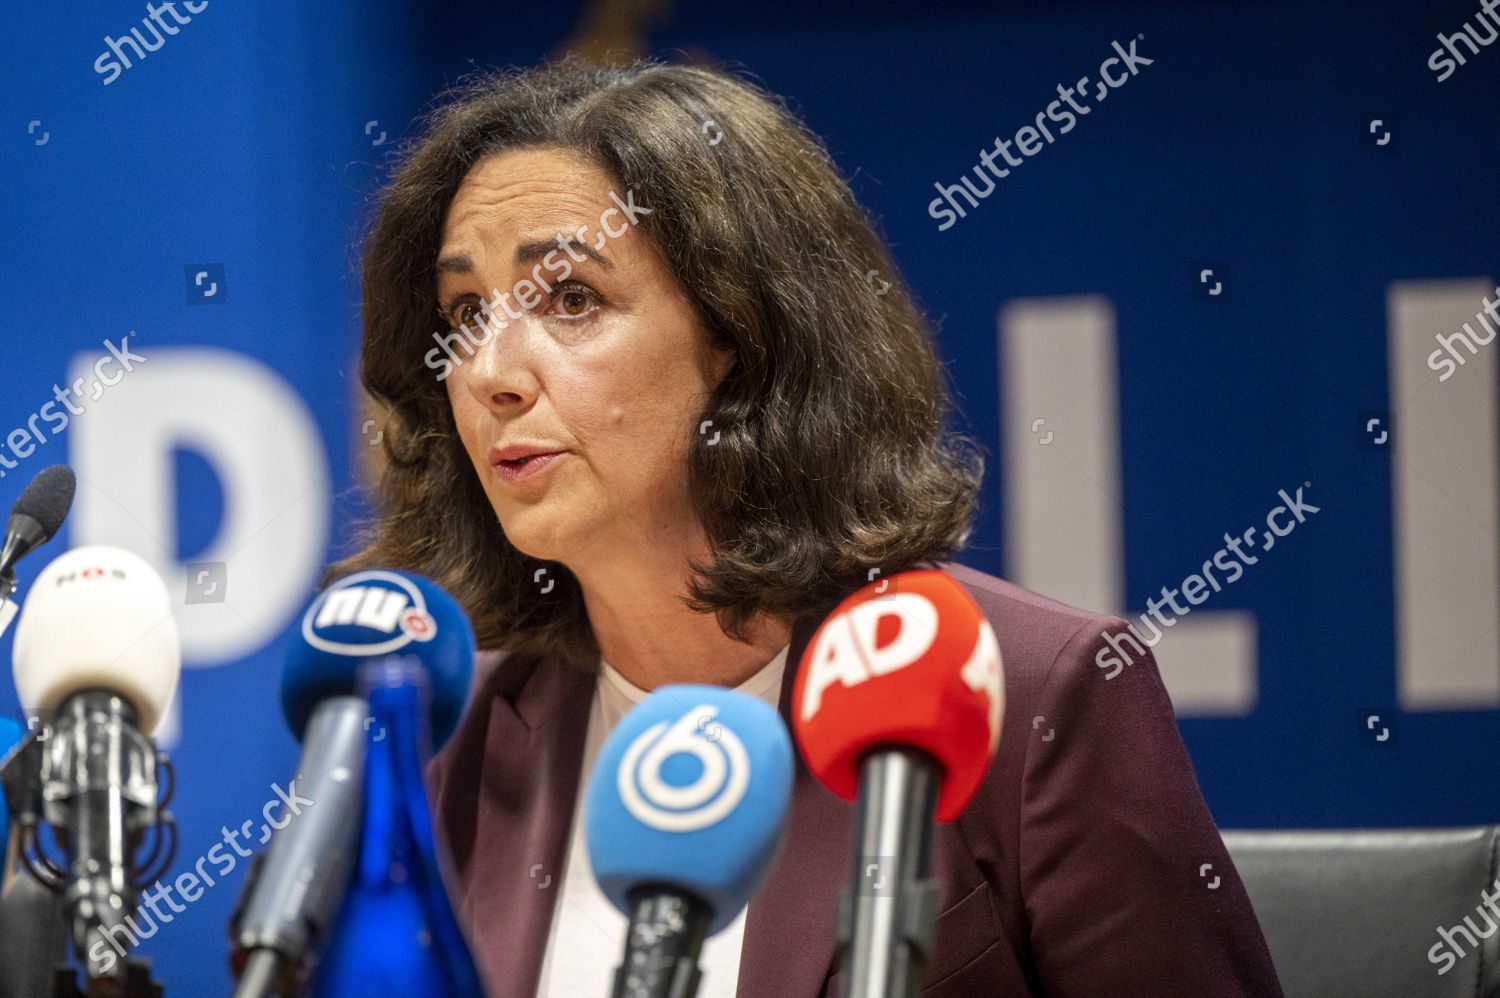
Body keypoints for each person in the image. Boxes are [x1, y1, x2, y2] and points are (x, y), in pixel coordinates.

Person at [335, 58, 1282, 997]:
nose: (490, 370)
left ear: (743, 340)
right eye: (464, 314)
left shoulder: (1032, 701)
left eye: (571, 299)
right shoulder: (440, 746)